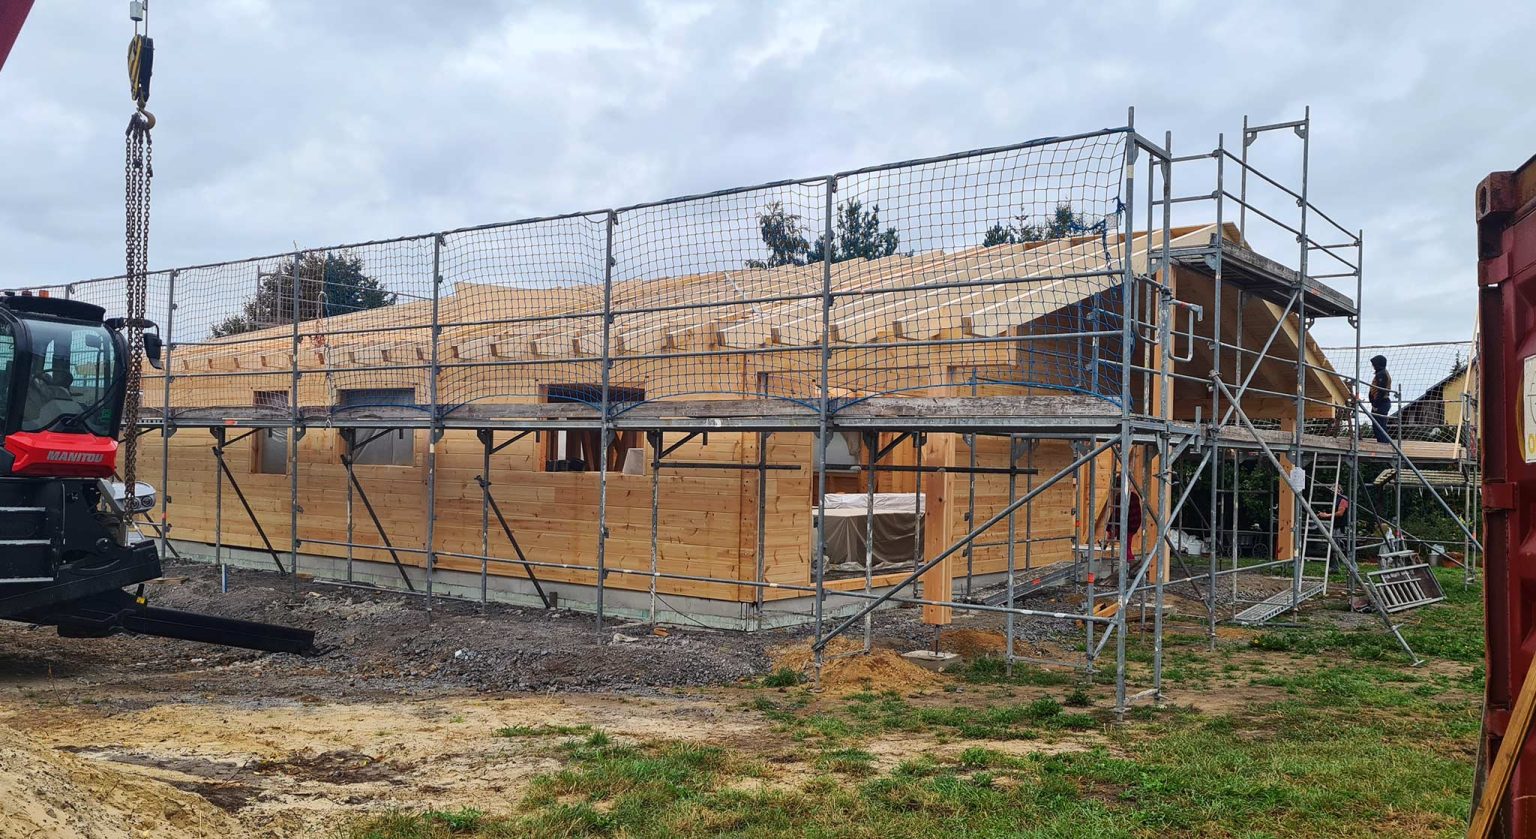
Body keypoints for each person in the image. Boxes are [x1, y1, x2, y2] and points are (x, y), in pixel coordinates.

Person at [1093, 478, 1143, 564]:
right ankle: (1105, 542)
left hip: (1129, 524)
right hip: (1134, 523)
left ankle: (1131, 563)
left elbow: (1117, 514)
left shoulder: (1121, 497)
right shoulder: (1134, 496)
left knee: (1125, 546)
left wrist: (1109, 526)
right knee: (1126, 543)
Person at [1367, 354, 1393, 445]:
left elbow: (1381, 391)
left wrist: (1375, 404)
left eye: (1374, 364)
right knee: (1378, 424)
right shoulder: (1381, 373)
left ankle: (1383, 444)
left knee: (1379, 425)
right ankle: (1383, 443)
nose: (1373, 366)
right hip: (1381, 403)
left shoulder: (1382, 374)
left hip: (1381, 403)